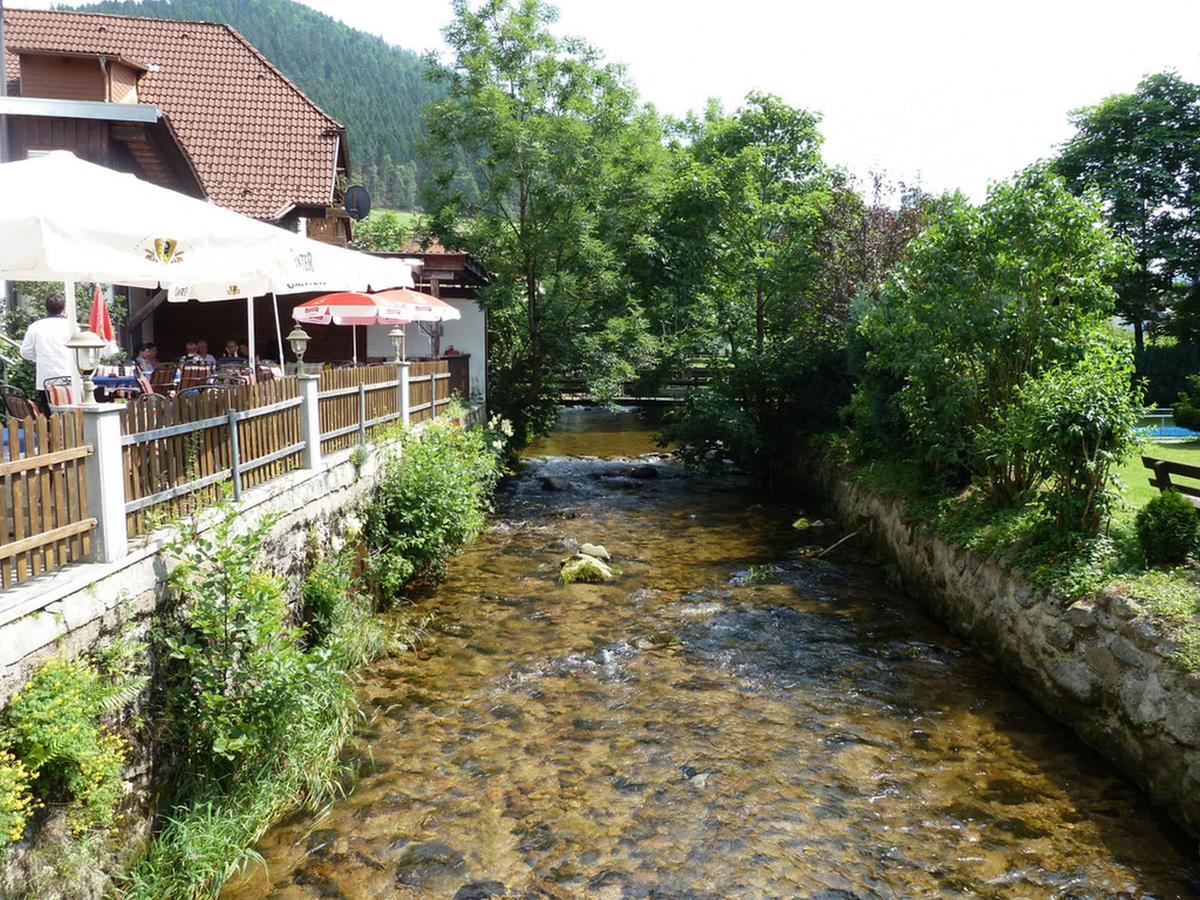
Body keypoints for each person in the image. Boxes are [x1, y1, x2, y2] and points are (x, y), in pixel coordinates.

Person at [19, 292, 74, 412]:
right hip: (70, 376)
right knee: (73, 414)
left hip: (46, 377)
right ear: (64, 308)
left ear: (46, 308)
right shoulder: (73, 326)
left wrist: (40, 357)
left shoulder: (36, 327)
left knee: (49, 415)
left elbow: (25, 352)